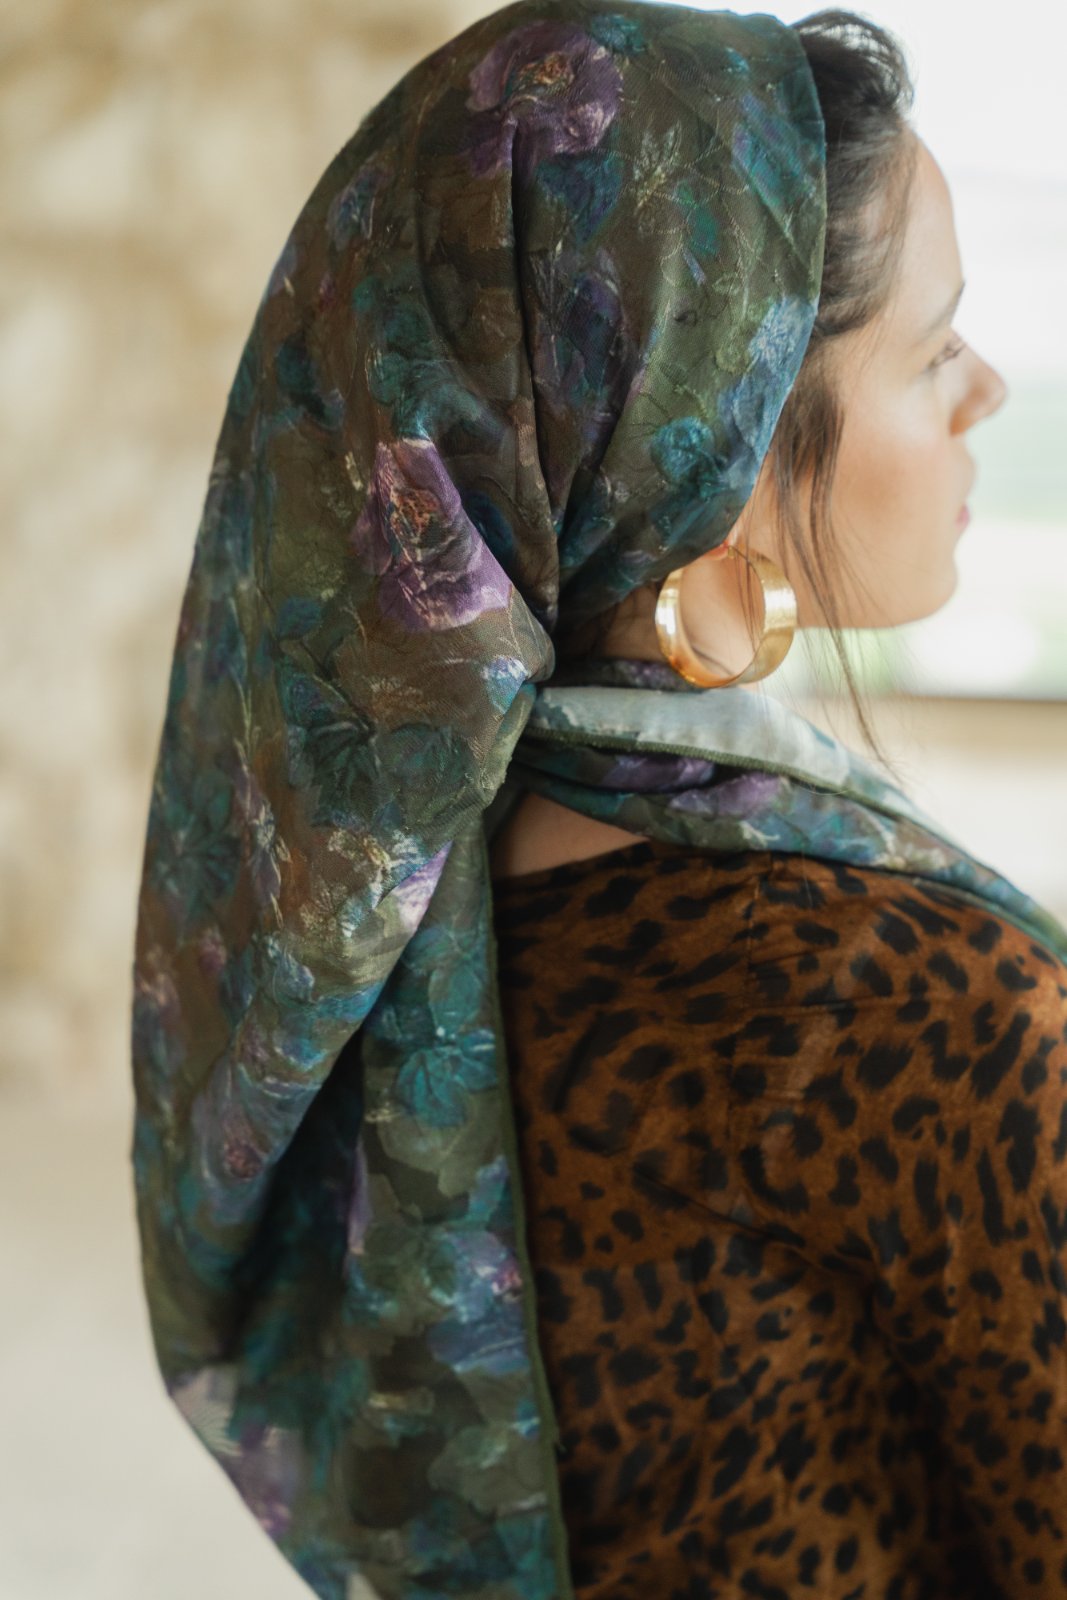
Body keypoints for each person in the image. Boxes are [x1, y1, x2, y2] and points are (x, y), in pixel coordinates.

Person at [128, 3, 1067, 1599]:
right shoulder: (912, 1007)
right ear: (720, 444)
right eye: (932, 350)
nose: (986, 391)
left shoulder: (380, 925)